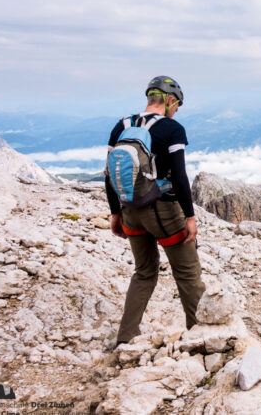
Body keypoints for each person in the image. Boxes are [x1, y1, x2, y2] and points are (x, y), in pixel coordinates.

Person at [106, 76, 206, 345]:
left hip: (130, 211)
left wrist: (116, 213)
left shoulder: (122, 126)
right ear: (170, 100)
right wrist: (190, 216)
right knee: (187, 273)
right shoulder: (171, 129)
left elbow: (109, 173)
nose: (177, 110)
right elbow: (181, 176)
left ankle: (126, 338)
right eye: (178, 105)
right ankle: (200, 338)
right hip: (163, 213)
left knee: (144, 273)